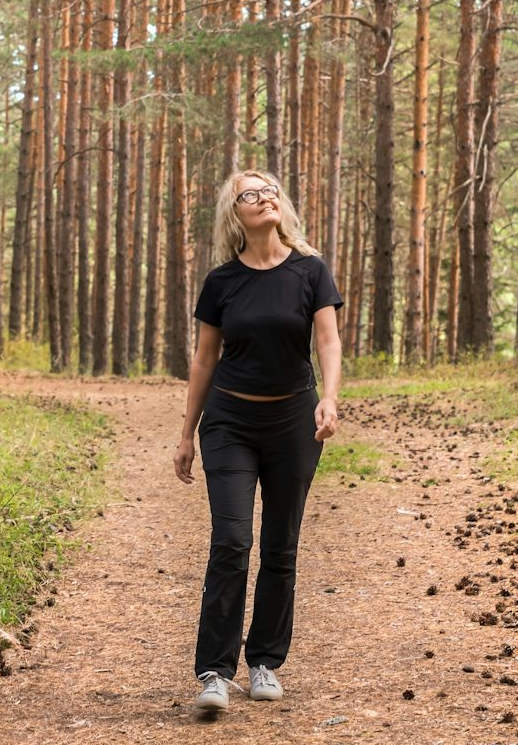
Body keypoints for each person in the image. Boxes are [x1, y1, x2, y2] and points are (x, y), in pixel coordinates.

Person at [173, 169, 344, 720]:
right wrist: (185, 434)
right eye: (250, 193)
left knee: (280, 546)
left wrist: (330, 399)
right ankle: (215, 672)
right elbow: (203, 360)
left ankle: (264, 662)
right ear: (234, 214)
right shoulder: (222, 281)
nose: (264, 197)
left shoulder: (310, 271)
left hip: (294, 422)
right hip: (229, 424)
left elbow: (327, 339)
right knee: (231, 541)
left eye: (270, 190)